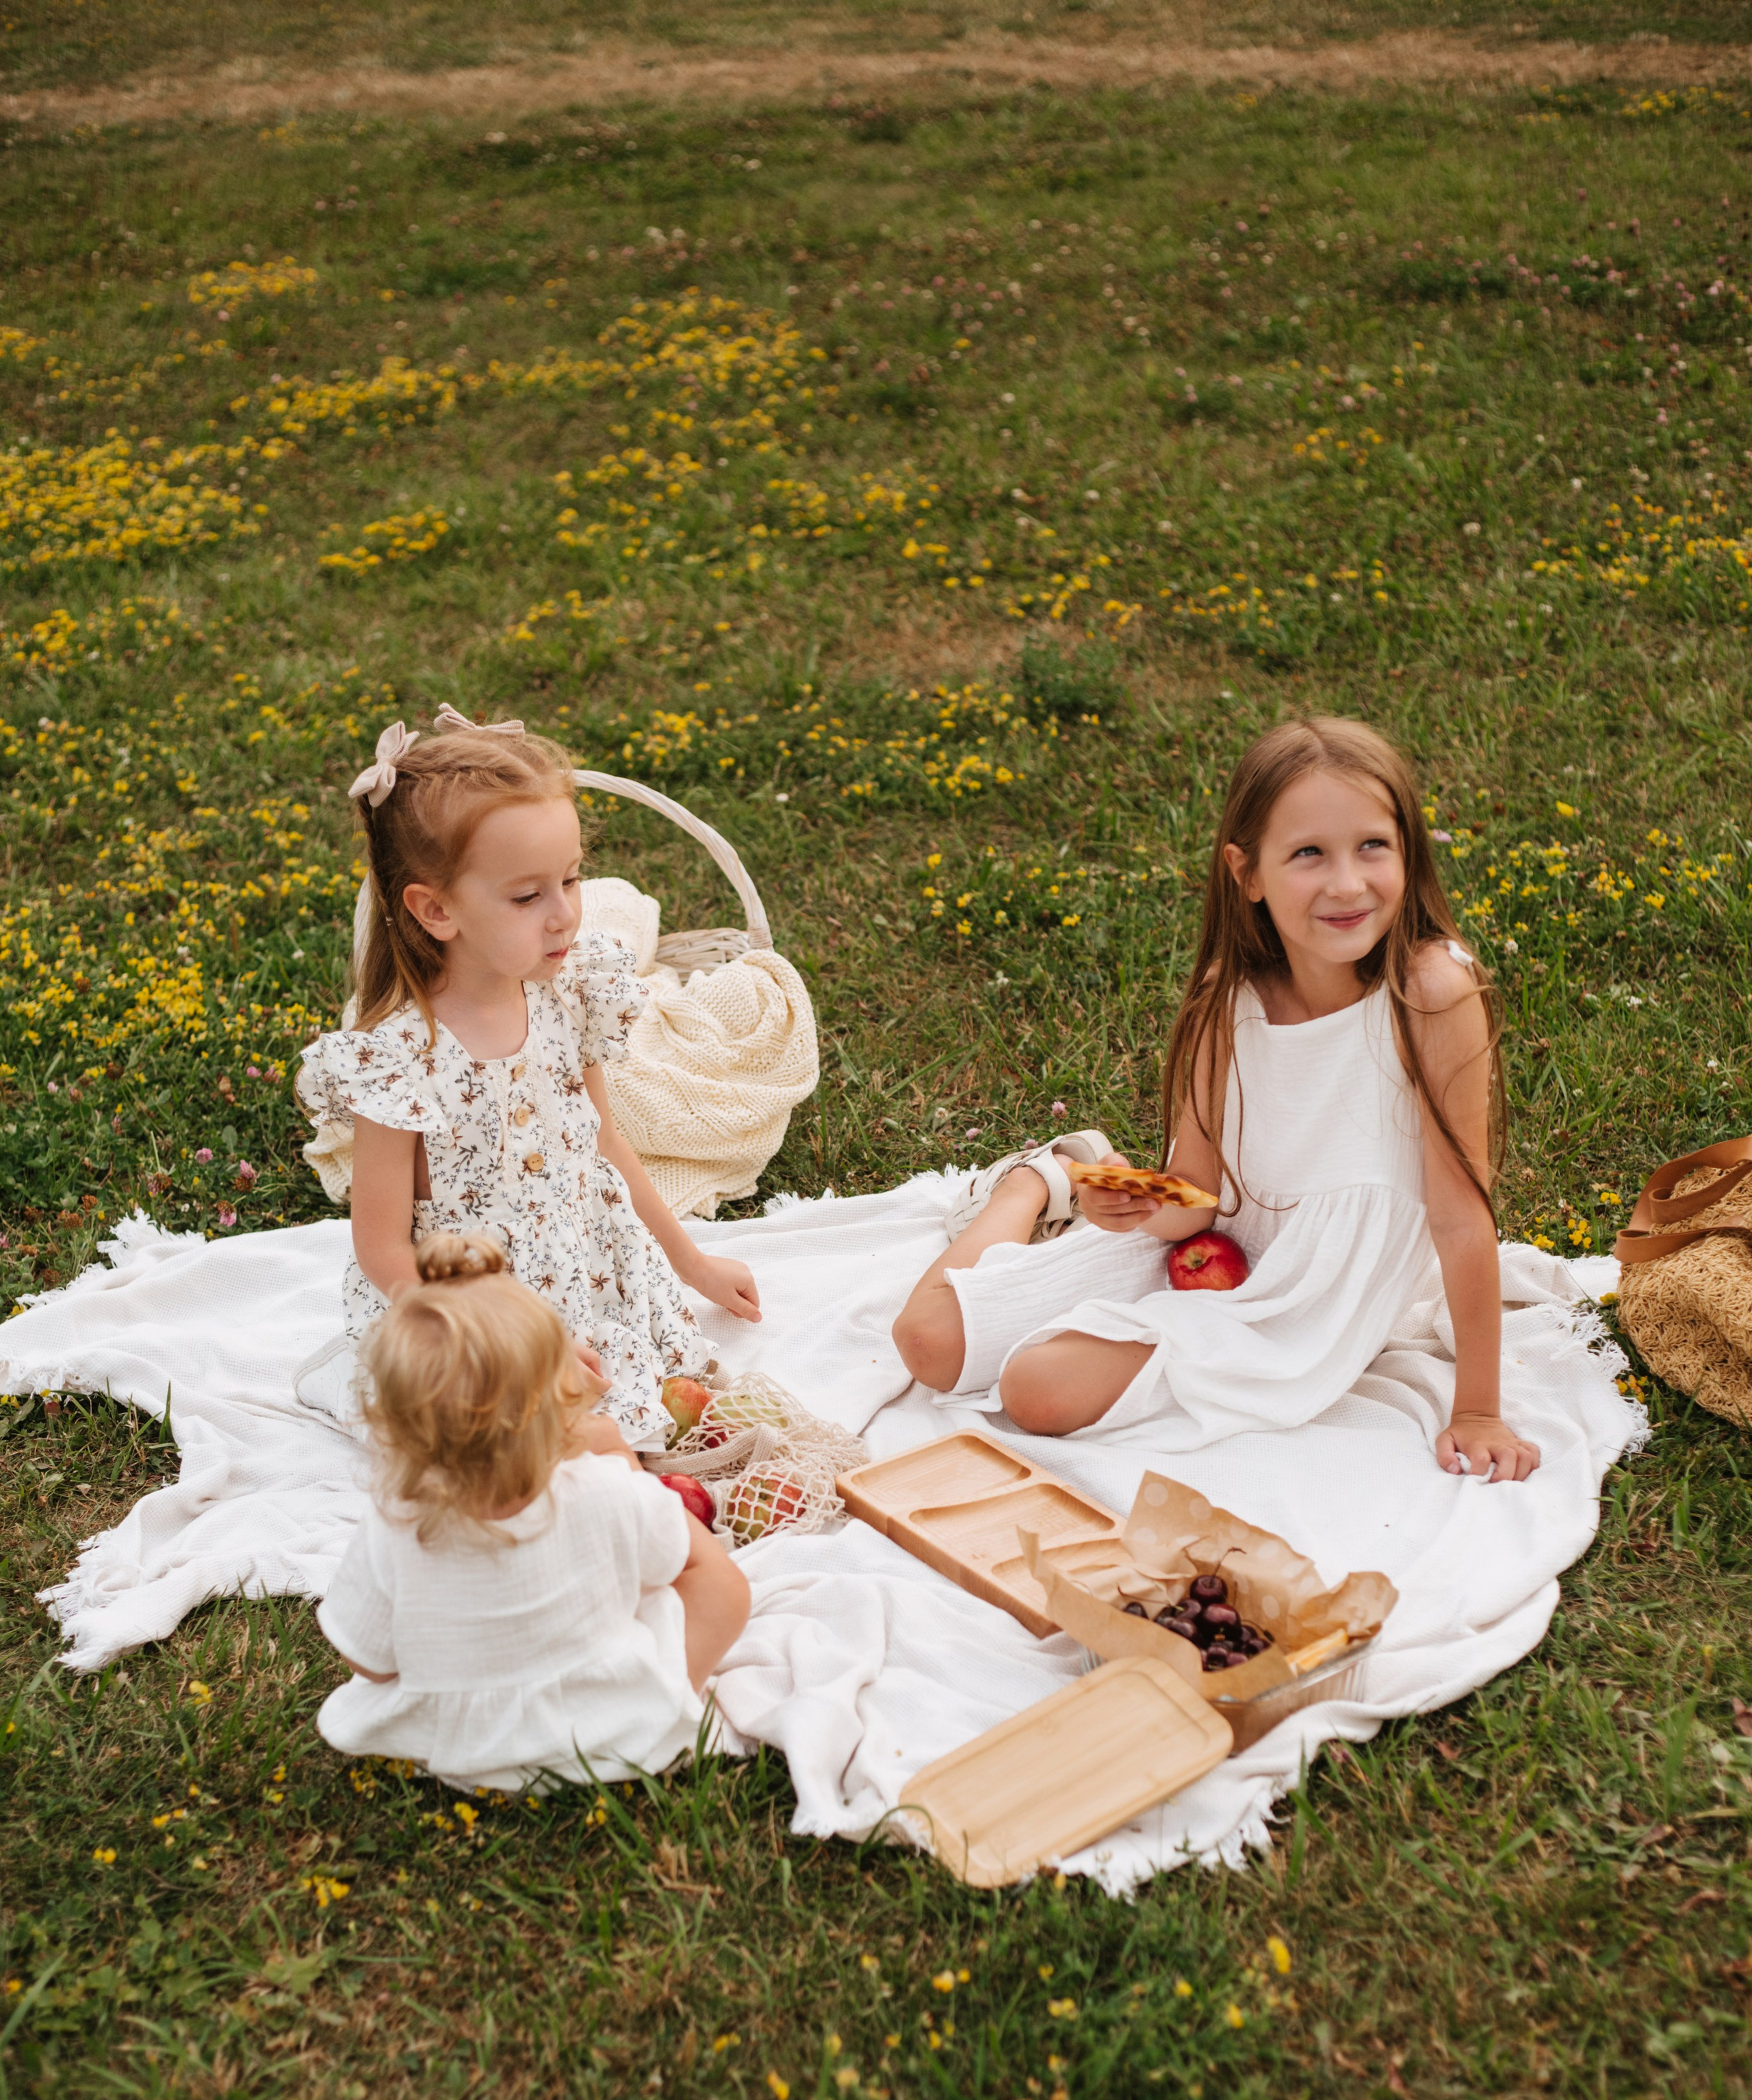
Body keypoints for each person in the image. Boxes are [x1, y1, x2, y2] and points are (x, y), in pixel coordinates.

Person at [892, 715, 1541, 1483]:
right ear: (1248, 873)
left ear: (1407, 848)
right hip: (1206, 1251)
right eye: (1308, 854)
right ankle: (1038, 1183)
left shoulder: (1428, 993)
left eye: (1372, 845)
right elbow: (1193, 1205)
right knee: (924, 1341)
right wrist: (1124, 1202)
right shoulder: (1226, 1001)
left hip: (1302, 1299)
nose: (1346, 883)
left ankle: (1048, 1189)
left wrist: (1476, 1407)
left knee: (1036, 1388)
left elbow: (1461, 1213)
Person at [296, 710, 760, 1449]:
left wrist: (691, 1262)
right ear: (435, 909)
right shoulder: (399, 1059)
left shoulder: (570, 993)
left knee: (629, 1405)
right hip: (467, 1309)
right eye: (526, 896)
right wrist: (500, 1339)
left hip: (584, 1268)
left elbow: (603, 1142)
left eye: (571, 879)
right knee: (504, 1439)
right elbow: (382, 1247)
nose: (563, 916)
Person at [315, 1232, 750, 1790]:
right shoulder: (604, 1488)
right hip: (613, 1731)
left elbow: (371, 1665)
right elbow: (703, 1581)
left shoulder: (395, 1524)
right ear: (561, 1404)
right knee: (713, 1582)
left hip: (469, 1755)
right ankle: (663, 1699)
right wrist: (621, 1460)